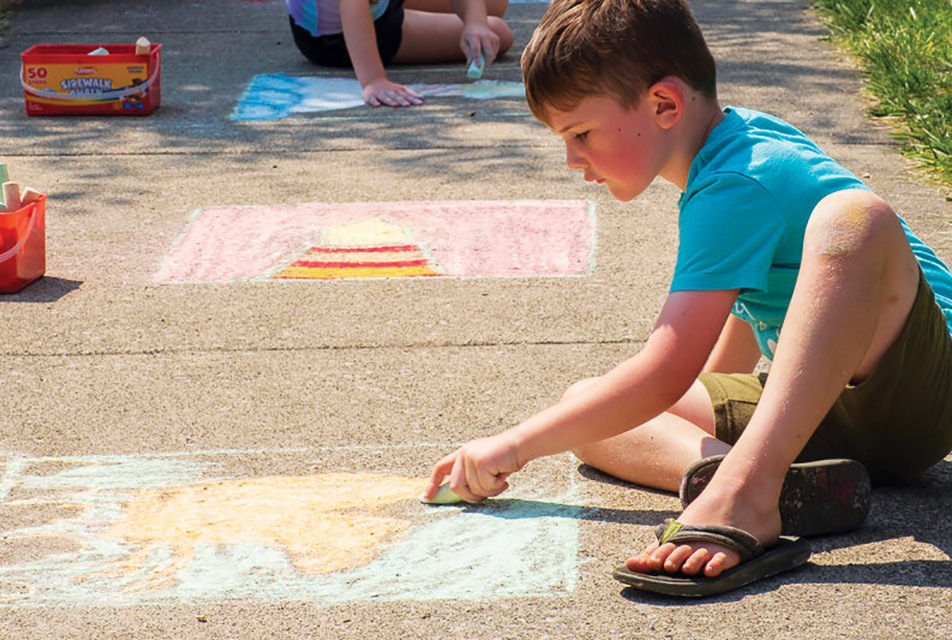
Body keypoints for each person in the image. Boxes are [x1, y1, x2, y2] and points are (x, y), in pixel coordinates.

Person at [423, 0, 952, 596]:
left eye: (581, 133)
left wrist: (513, 446)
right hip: (836, 414)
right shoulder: (726, 156)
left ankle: (746, 492)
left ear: (664, 105)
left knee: (852, 218)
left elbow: (665, 371)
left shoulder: (738, 177)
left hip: (924, 393)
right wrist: (702, 404)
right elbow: (743, 312)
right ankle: (774, 484)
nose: (573, 160)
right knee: (589, 408)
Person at [285, 0, 514, 107]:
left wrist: (475, 23)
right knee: (498, 32)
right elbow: (352, 4)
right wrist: (373, 80)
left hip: (374, 6)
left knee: (493, 4)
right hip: (338, 35)